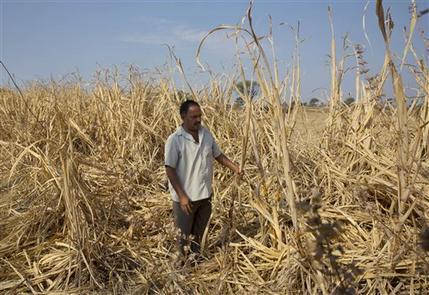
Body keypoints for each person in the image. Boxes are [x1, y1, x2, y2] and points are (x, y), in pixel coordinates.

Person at [164, 100, 240, 262]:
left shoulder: (206, 135)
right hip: (185, 200)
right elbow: (169, 169)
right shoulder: (175, 140)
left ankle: (196, 264)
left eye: (199, 116)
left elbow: (218, 155)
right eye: (193, 116)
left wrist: (235, 168)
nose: (198, 120)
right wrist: (182, 196)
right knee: (183, 239)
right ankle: (181, 271)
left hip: (205, 196)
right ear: (183, 116)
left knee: (199, 236)